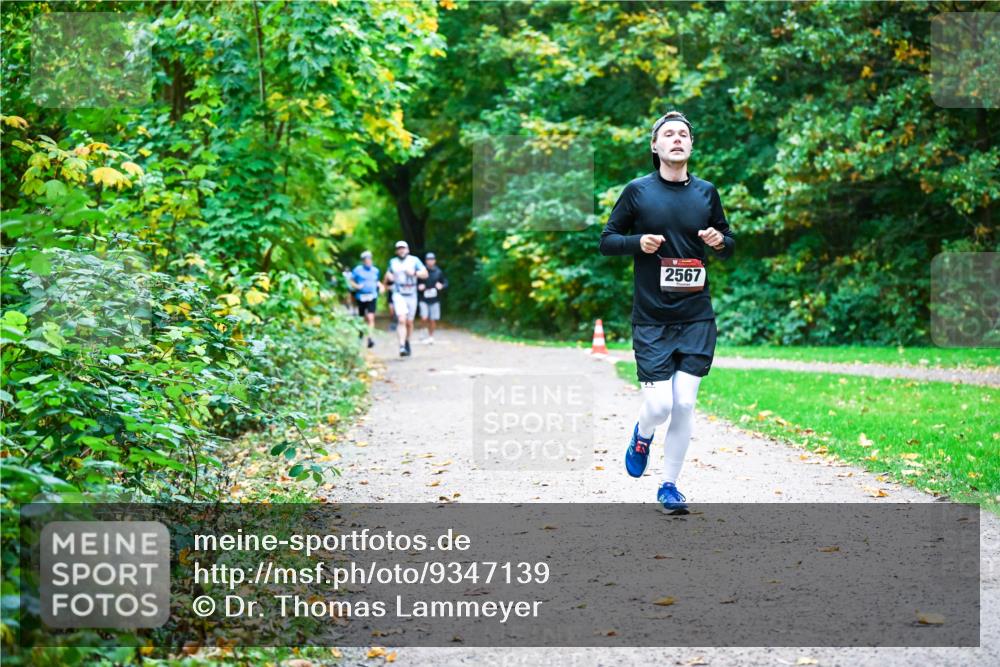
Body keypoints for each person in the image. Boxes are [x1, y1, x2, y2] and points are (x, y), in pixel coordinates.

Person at [598, 110, 735, 514]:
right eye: (668, 134)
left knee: (686, 404)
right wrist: (637, 242)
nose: (677, 139)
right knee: (660, 406)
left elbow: (729, 241)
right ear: (655, 146)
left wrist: (719, 240)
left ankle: (669, 486)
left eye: (683, 135)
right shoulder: (638, 192)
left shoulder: (707, 193)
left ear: (691, 146)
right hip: (653, 317)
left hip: (696, 316)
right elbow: (607, 240)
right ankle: (642, 436)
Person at [383, 240, 428, 357]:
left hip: (412, 293)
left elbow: (425, 274)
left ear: (407, 249)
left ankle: (407, 341)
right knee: (402, 319)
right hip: (399, 293)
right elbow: (387, 275)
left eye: (403, 248)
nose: (401, 250)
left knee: (409, 322)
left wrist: (414, 273)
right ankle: (402, 345)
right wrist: (388, 279)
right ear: (396, 251)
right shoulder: (393, 262)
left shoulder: (414, 260)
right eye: (399, 248)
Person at [348, 250, 382, 348]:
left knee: (371, 317)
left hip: (372, 296)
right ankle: (361, 333)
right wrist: (357, 286)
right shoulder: (357, 270)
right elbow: (350, 281)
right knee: (361, 318)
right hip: (361, 297)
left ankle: (370, 338)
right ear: (363, 261)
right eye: (366, 259)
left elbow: (377, 281)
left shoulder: (375, 270)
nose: (368, 261)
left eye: (369, 259)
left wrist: (381, 286)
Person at [417, 252, 448, 344]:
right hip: (424, 299)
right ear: (426, 261)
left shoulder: (438, 272)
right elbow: (416, 282)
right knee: (424, 317)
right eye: (428, 260)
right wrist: (419, 286)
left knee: (433, 319)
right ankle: (423, 329)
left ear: (434, 261)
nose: (430, 262)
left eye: (432, 260)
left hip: (435, 299)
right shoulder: (422, 272)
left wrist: (441, 286)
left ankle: (431, 336)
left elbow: (445, 283)